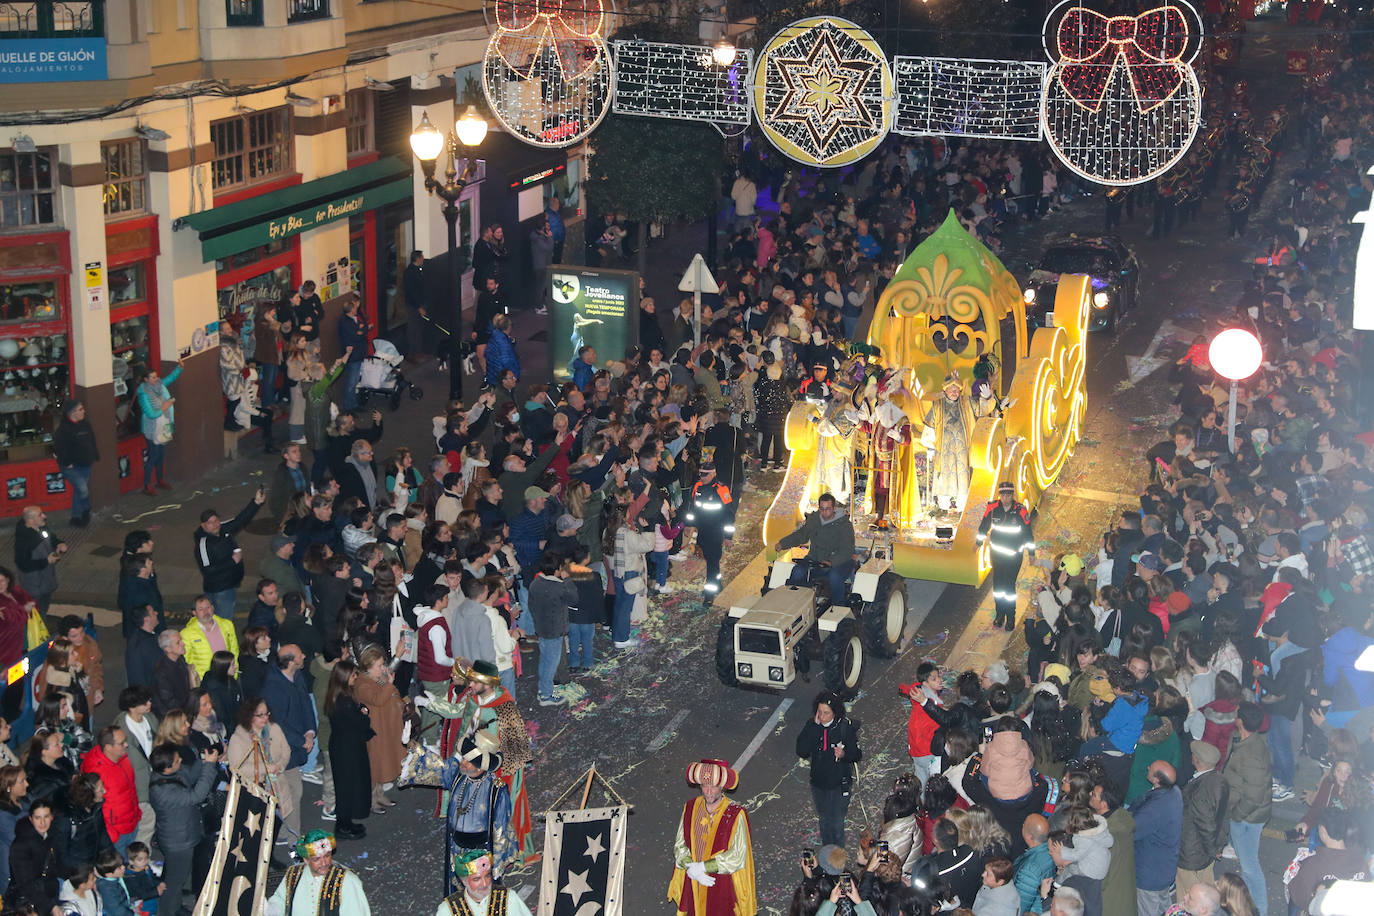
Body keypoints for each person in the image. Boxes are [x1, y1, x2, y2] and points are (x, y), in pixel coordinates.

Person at [667, 758, 756, 916]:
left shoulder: (736, 813)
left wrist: (703, 868)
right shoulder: (690, 807)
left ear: (722, 787)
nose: (708, 791)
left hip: (722, 886)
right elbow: (679, 846)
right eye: (704, 786)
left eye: (713, 787)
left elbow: (738, 856)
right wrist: (691, 867)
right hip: (694, 882)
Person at [148, 739, 217, 916]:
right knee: (174, 882)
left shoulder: (169, 774)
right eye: (178, 761)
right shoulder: (163, 791)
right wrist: (209, 766)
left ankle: (176, 907)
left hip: (184, 834)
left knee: (177, 878)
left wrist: (203, 762)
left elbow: (189, 775)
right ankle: (169, 911)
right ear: (166, 768)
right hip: (178, 843)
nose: (181, 762)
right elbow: (196, 795)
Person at [258, 645, 317, 844]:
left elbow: (306, 705)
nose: (304, 655)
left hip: (295, 744)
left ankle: (284, 832)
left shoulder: (296, 677)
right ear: (292, 661)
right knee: (291, 790)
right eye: (301, 654)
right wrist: (302, 740)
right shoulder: (272, 688)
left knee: (291, 790)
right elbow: (278, 724)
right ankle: (293, 837)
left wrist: (309, 731)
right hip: (280, 749)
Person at [1221, 702, 1271, 915]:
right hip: (1243, 812)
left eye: (1236, 712)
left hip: (1247, 818)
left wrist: (1238, 815)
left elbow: (1255, 795)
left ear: (1240, 720)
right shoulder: (1244, 739)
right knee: (1247, 860)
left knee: (1251, 869)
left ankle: (1260, 909)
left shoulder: (1251, 754)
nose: (1233, 713)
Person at [795, 691, 862, 848]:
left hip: (839, 785)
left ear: (835, 713)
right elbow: (801, 751)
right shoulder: (811, 725)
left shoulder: (844, 728)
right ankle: (827, 852)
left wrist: (844, 754)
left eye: (826, 713)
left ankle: (838, 857)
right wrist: (813, 727)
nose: (822, 716)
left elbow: (857, 754)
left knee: (837, 824)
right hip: (818, 784)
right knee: (824, 820)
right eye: (820, 712)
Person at [193, 488, 266, 620]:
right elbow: (207, 570)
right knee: (223, 622)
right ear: (203, 526)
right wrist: (232, 561)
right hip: (220, 590)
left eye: (216, 521)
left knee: (222, 621)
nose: (215, 525)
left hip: (230, 585)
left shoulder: (222, 529)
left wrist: (256, 503)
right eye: (210, 523)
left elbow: (240, 520)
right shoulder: (203, 544)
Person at [774, 492, 856, 603]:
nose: (824, 512)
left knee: (835, 577)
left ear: (834, 508)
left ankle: (839, 607)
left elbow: (847, 550)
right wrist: (783, 543)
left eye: (828, 509)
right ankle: (792, 603)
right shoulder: (814, 520)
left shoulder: (845, 525)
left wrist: (831, 562)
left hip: (840, 562)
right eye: (822, 509)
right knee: (797, 571)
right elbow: (801, 535)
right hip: (815, 559)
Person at [266, 830, 372, 916]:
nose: (324, 863)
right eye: (317, 859)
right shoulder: (293, 874)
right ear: (306, 860)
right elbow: (280, 900)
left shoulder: (347, 881)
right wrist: (270, 909)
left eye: (327, 856)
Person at [976, 482, 1035, 630]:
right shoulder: (993, 508)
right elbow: (984, 526)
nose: (1005, 498)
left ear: (1012, 495)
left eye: (1008, 495)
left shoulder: (1020, 510)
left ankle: (1010, 618)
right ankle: (1000, 615)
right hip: (997, 555)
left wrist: (1032, 553)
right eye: (1003, 495)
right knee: (998, 587)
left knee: (1008, 588)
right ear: (999, 495)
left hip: (1014, 557)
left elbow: (1028, 532)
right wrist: (978, 543)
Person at [324, 660, 371, 840]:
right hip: (347, 749)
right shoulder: (343, 701)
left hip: (343, 745)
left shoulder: (338, 696)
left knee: (346, 785)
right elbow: (358, 723)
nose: (356, 677)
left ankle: (346, 821)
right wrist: (364, 714)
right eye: (353, 675)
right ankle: (343, 825)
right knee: (346, 787)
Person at [79, 725, 140, 858]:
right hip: (117, 834)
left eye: (125, 740)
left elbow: (130, 788)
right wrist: (112, 836)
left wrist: (136, 813)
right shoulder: (96, 772)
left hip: (131, 821)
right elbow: (96, 806)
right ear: (108, 747)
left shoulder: (121, 756)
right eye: (121, 743)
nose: (126, 745)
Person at [1130, 761, 1182, 916]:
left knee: (1147, 910)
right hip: (1165, 867)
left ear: (1156, 780)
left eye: (1150, 769)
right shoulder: (1175, 793)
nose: (1147, 767)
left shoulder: (1155, 809)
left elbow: (1133, 831)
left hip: (1149, 874)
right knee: (1164, 908)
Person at [683, 462, 735, 604]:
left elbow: (729, 514)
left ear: (713, 473)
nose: (702, 477)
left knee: (712, 561)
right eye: (700, 474)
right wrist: (689, 524)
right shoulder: (697, 487)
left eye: (705, 475)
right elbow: (692, 508)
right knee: (711, 559)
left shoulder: (721, 489)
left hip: (716, 531)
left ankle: (709, 594)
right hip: (703, 530)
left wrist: (728, 536)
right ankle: (717, 584)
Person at [923, 371, 974, 512]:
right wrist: (930, 447)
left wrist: (988, 397)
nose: (954, 392)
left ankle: (962, 506)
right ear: (945, 390)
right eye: (951, 389)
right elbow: (929, 427)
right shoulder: (937, 406)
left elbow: (983, 407)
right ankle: (943, 506)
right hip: (944, 450)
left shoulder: (966, 404)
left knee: (963, 478)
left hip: (963, 450)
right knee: (944, 478)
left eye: (957, 389)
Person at [113, 686, 159, 845]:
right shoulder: (120, 729)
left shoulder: (151, 719)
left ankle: (142, 859)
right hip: (136, 786)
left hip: (153, 779)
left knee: (149, 823)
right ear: (132, 707)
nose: (149, 704)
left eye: (149, 700)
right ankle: (140, 861)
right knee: (144, 824)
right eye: (144, 702)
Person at [437, 848, 533, 916]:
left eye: (487, 876)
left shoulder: (509, 898)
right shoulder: (448, 909)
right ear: (464, 881)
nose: (484, 884)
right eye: (476, 879)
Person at [136, 358, 182, 494]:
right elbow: (150, 413)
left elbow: (170, 378)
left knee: (161, 455)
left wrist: (180, 368)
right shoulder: (143, 394)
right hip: (152, 428)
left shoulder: (159, 385)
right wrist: (164, 407)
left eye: (156, 376)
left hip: (165, 424)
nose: (156, 379)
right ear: (146, 380)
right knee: (153, 456)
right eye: (153, 377)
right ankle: (147, 485)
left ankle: (160, 479)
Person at [9, 799, 62, 915]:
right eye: (38, 818)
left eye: (46, 817)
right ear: (31, 819)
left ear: (52, 817)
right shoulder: (20, 845)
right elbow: (25, 884)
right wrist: (51, 906)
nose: (42, 822)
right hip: (31, 902)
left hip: (49, 894)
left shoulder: (52, 836)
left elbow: (59, 866)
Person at [53, 401, 98, 528]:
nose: (84, 411)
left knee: (79, 491)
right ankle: (86, 510)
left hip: (86, 463)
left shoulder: (86, 424)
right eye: (80, 409)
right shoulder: (63, 429)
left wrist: (94, 455)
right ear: (72, 413)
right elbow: (59, 448)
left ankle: (75, 517)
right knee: (83, 490)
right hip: (70, 467)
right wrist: (67, 463)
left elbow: (92, 440)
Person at [14, 506, 66, 615]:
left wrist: (58, 543)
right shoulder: (23, 540)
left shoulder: (41, 527)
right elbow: (23, 564)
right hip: (34, 587)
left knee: (43, 611)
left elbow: (50, 537)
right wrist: (46, 561)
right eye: (40, 515)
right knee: (37, 615)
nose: (44, 516)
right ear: (31, 520)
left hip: (46, 582)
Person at [181, 595, 240, 680]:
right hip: (205, 680)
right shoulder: (186, 633)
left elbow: (234, 650)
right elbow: (188, 660)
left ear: (212, 608)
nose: (206, 612)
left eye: (208, 607)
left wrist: (234, 673)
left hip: (228, 675)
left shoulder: (227, 625)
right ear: (194, 612)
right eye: (201, 609)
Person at [152, 629, 195, 719]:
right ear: (168, 649)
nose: (183, 644)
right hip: (173, 717)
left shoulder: (180, 659)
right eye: (178, 642)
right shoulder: (162, 672)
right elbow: (169, 702)